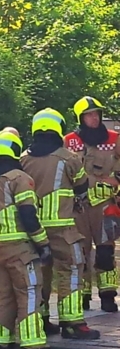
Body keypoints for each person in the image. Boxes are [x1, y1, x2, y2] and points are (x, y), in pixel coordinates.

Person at [20, 109, 100, 339]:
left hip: (33, 228)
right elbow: (82, 187)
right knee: (72, 269)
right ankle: (72, 322)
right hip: (62, 227)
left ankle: (42, 319)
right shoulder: (69, 158)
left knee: (39, 273)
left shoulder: (23, 159)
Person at [0, 130, 51, 349]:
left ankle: (0, 344)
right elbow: (28, 215)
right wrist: (43, 243)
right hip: (18, 248)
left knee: (2, 294)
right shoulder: (18, 178)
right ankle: (32, 345)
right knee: (29, 292)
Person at [64, 97, 120, 313]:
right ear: (81, 118)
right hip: (78, 207)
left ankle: (108, 296)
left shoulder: (114, 139)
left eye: (97, 114)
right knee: (80, 252)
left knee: (105, 252)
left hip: (105, 205)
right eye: (89, 115)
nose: (94, 118)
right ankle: (83, 295)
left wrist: (116, 179)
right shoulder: (69, 141)